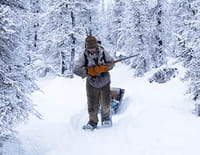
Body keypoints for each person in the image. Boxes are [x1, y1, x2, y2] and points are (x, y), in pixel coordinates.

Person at [73, 36, 115, 130]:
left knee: (106, 103)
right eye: (89, 48)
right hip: (91, 82)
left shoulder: (103, 52)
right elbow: (76, 69)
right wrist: (89, 71)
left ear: (96, 46)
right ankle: (92, 122)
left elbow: (112, 64)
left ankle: (106, 117)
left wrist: (105, 68)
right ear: (87, 48)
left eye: (93, 48)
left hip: (104, 81)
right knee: (92, 104)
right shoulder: (83, 56)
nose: (91, 50)